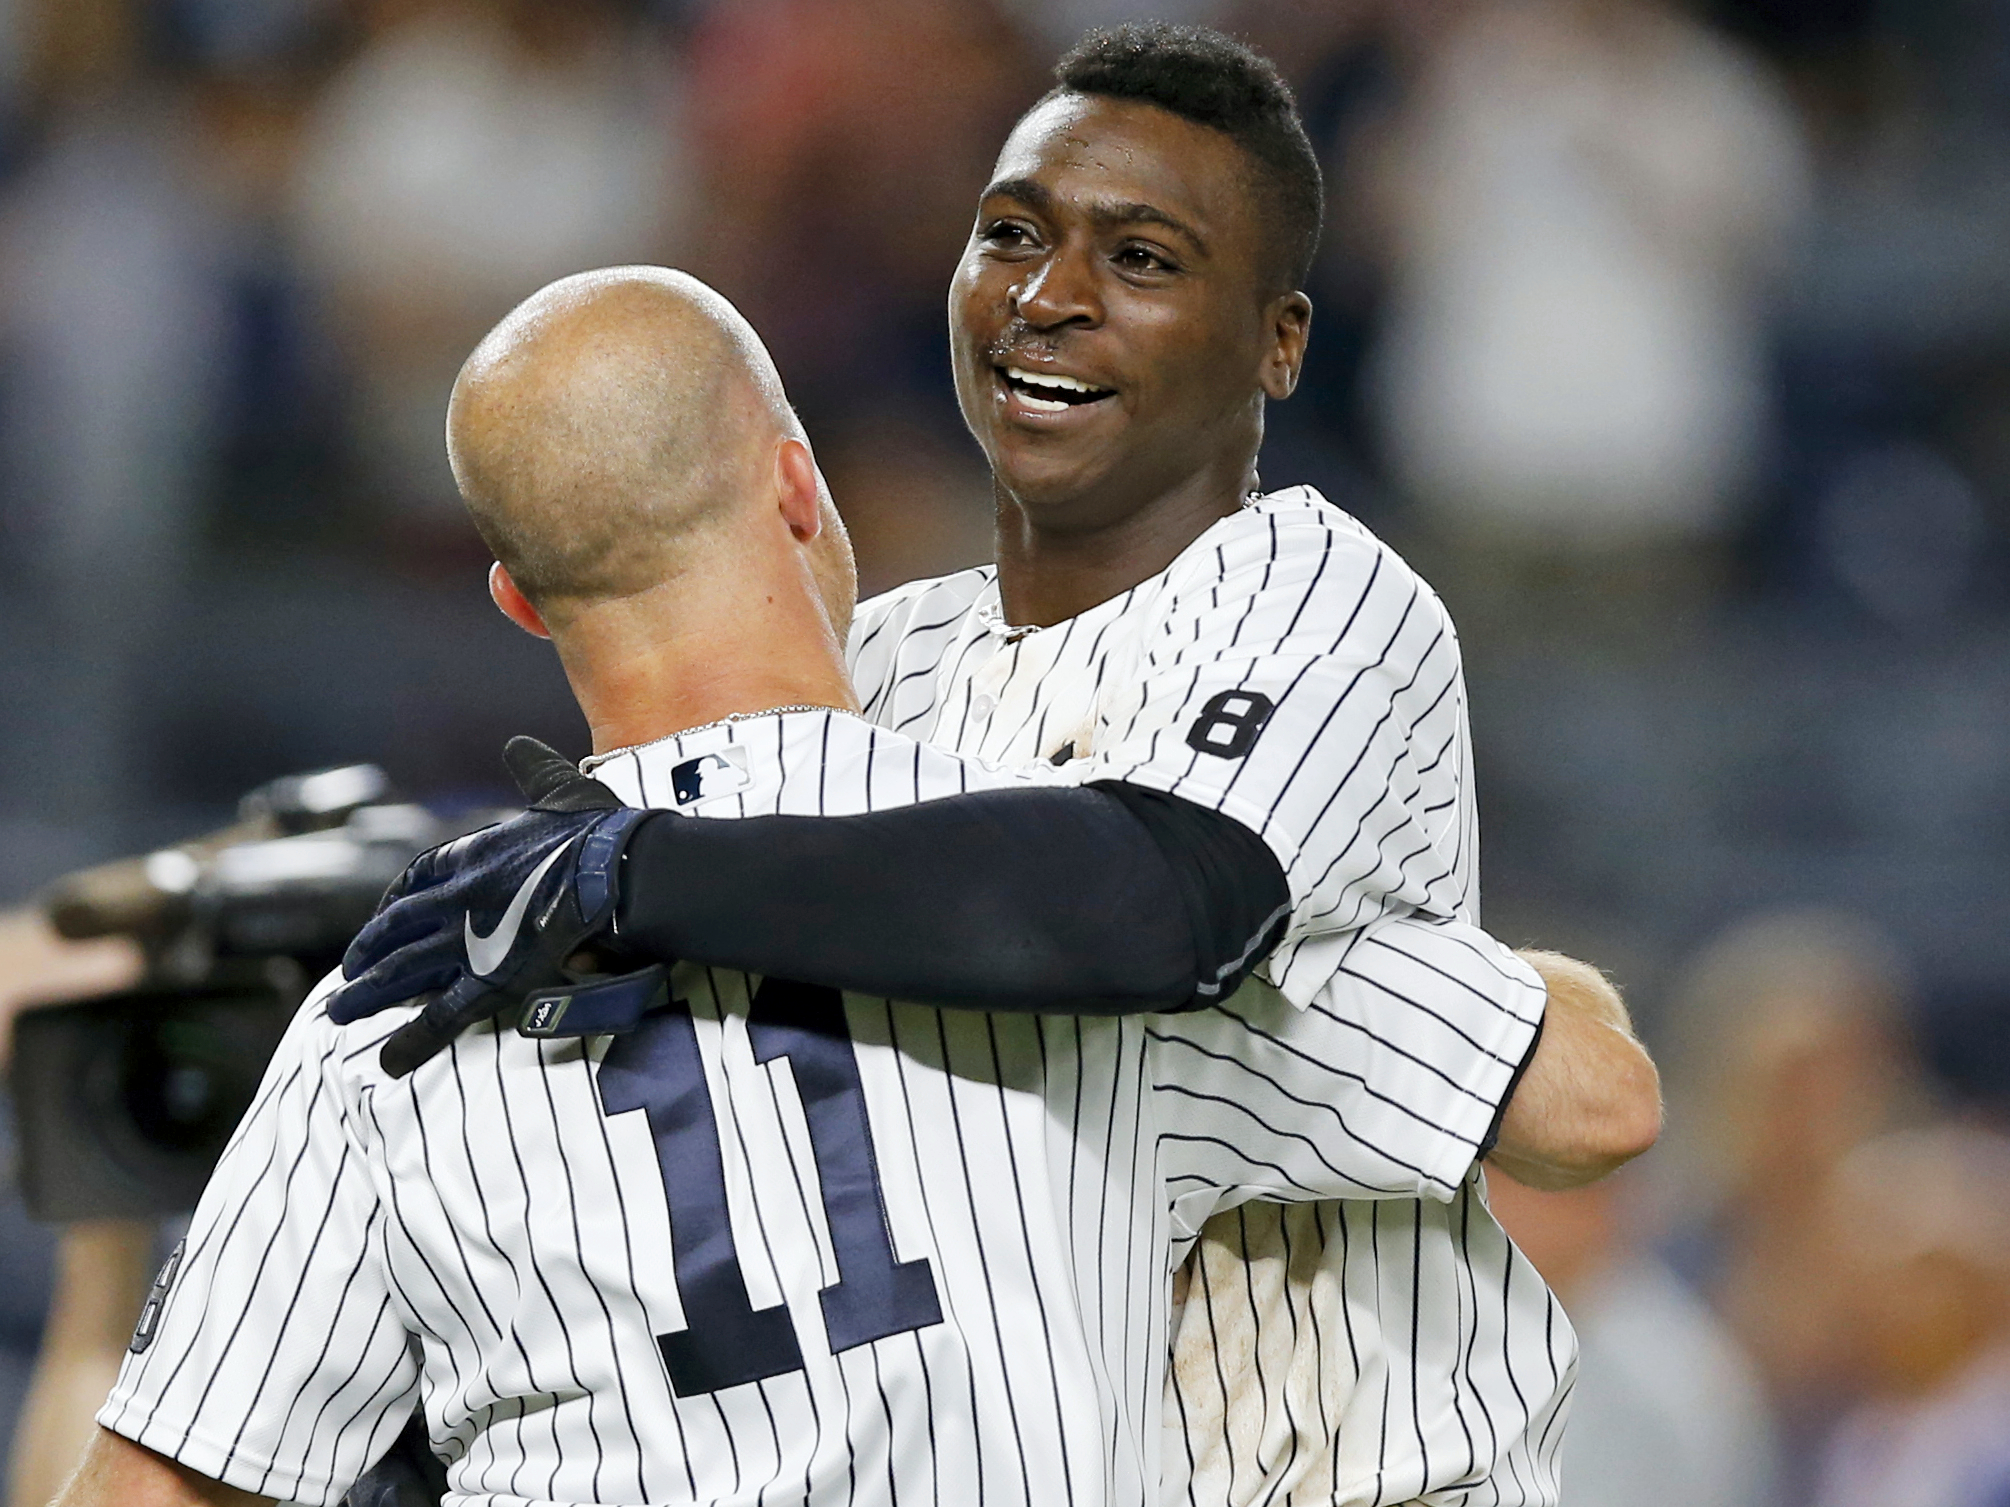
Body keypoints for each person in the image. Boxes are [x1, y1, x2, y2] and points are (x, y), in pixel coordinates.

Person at [332, 25, 1661, 1507]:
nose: (1051, 297)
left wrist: (642, 871)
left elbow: (1159, 912)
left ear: (1278, 341)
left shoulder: (1311, 590)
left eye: (1143, 260)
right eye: (1012, 236)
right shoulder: (882, 660)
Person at [57, 267, 1613, 1507]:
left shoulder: (395, 997)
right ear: (799, 488)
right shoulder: (1064, 900)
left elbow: (155, 1490)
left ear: (520, 599)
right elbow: (1590, 1102)